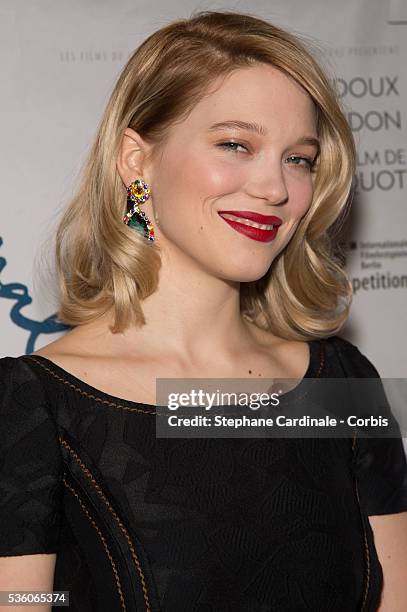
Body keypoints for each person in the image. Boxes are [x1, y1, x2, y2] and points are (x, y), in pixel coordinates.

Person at [0, 9, 406, 612]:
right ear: (136, 160)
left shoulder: (341, 382)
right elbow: (24, 605)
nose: (275, 188)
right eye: (236, 144)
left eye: (299, 158)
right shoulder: (35, 404)